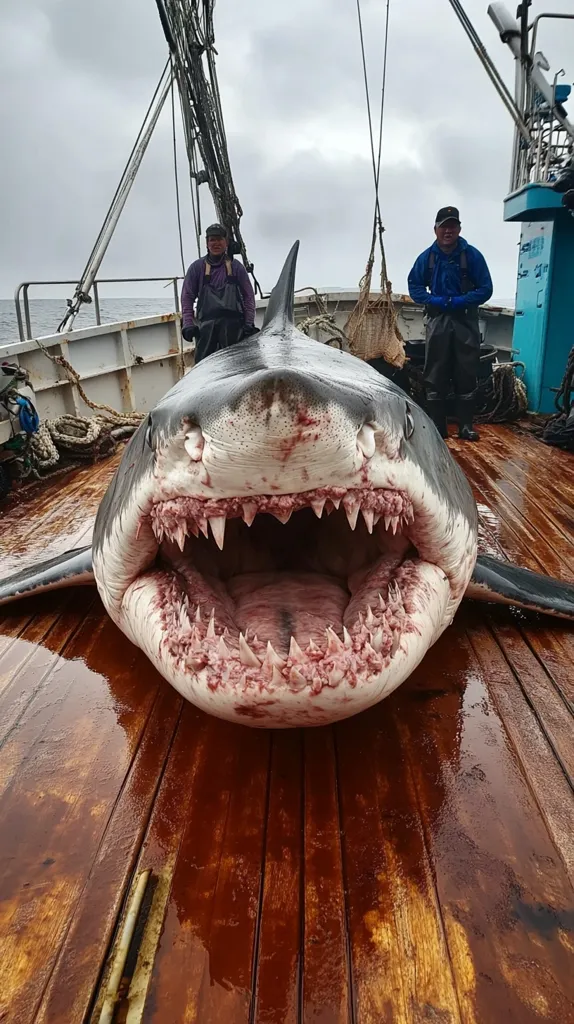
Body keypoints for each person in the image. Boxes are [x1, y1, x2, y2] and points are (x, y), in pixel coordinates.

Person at [407, 206, 493, 441]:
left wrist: (463, 300)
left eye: (452, 226)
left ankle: (466, 426)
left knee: (467, 371)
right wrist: (432, 300)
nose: (448, 230)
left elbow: (486, 288)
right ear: (435, 229)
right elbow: (414, 285)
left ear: (459, 229)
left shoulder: (472, 255)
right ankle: (438, 427)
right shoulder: (427, 257)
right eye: (444, 226)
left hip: (465, 320)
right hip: (438, 320)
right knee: (436, 371)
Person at [181, 223, 258, 363]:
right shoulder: (196, 268)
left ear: (226, 242)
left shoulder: (236, 267)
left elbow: (249, 297)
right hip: (206, 329)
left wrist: (248, 323)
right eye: (212, 240)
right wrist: (188, 324)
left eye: (219, 239)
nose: (216, 243)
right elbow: (187, 297)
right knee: (204, 369)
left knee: (238, 367)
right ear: (206, 243)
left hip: (234, 329)